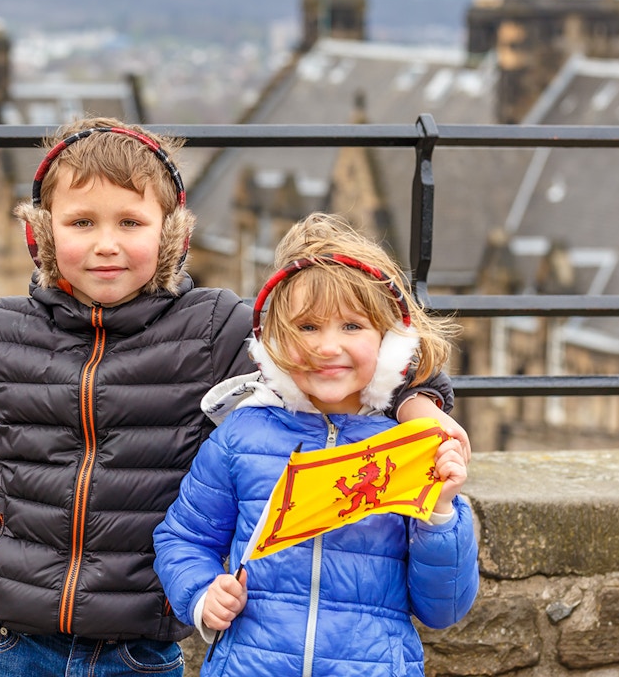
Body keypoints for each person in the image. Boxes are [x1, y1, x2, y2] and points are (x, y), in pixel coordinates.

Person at [0, 119, 466, 677]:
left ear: (169, 233)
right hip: (13, 643)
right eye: (81, 223)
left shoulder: (213, 329)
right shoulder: (1, 332)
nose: (106, 244)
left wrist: (423, 410)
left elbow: (358, 358)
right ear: (43, 234)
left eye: (130, 223)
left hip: (140, 648)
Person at [152, 212, 480, 677]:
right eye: (307, 327)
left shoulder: (409, 448)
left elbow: (443, 608)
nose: (327, 347)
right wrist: (202, 593)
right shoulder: (241, 437)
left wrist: (442, 512)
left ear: (388, 343)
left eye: (352, 326)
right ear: (276, 341)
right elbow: (183, 538)